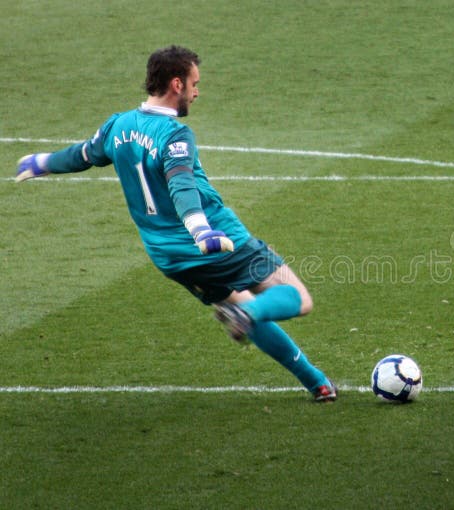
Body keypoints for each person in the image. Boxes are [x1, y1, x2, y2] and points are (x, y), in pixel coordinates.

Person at [15, 45, 337, 402]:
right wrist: (202, 231)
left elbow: (82, 156)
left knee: (240, 302)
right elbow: (182, 185)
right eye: (195, 83)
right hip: (216, 241)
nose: (198, 92)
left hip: (170, 257)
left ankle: (317, 383)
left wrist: (42, 162)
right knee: (297, 298)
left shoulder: (117, 125)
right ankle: (246, 316)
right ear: (176, 84)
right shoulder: (175, 136)